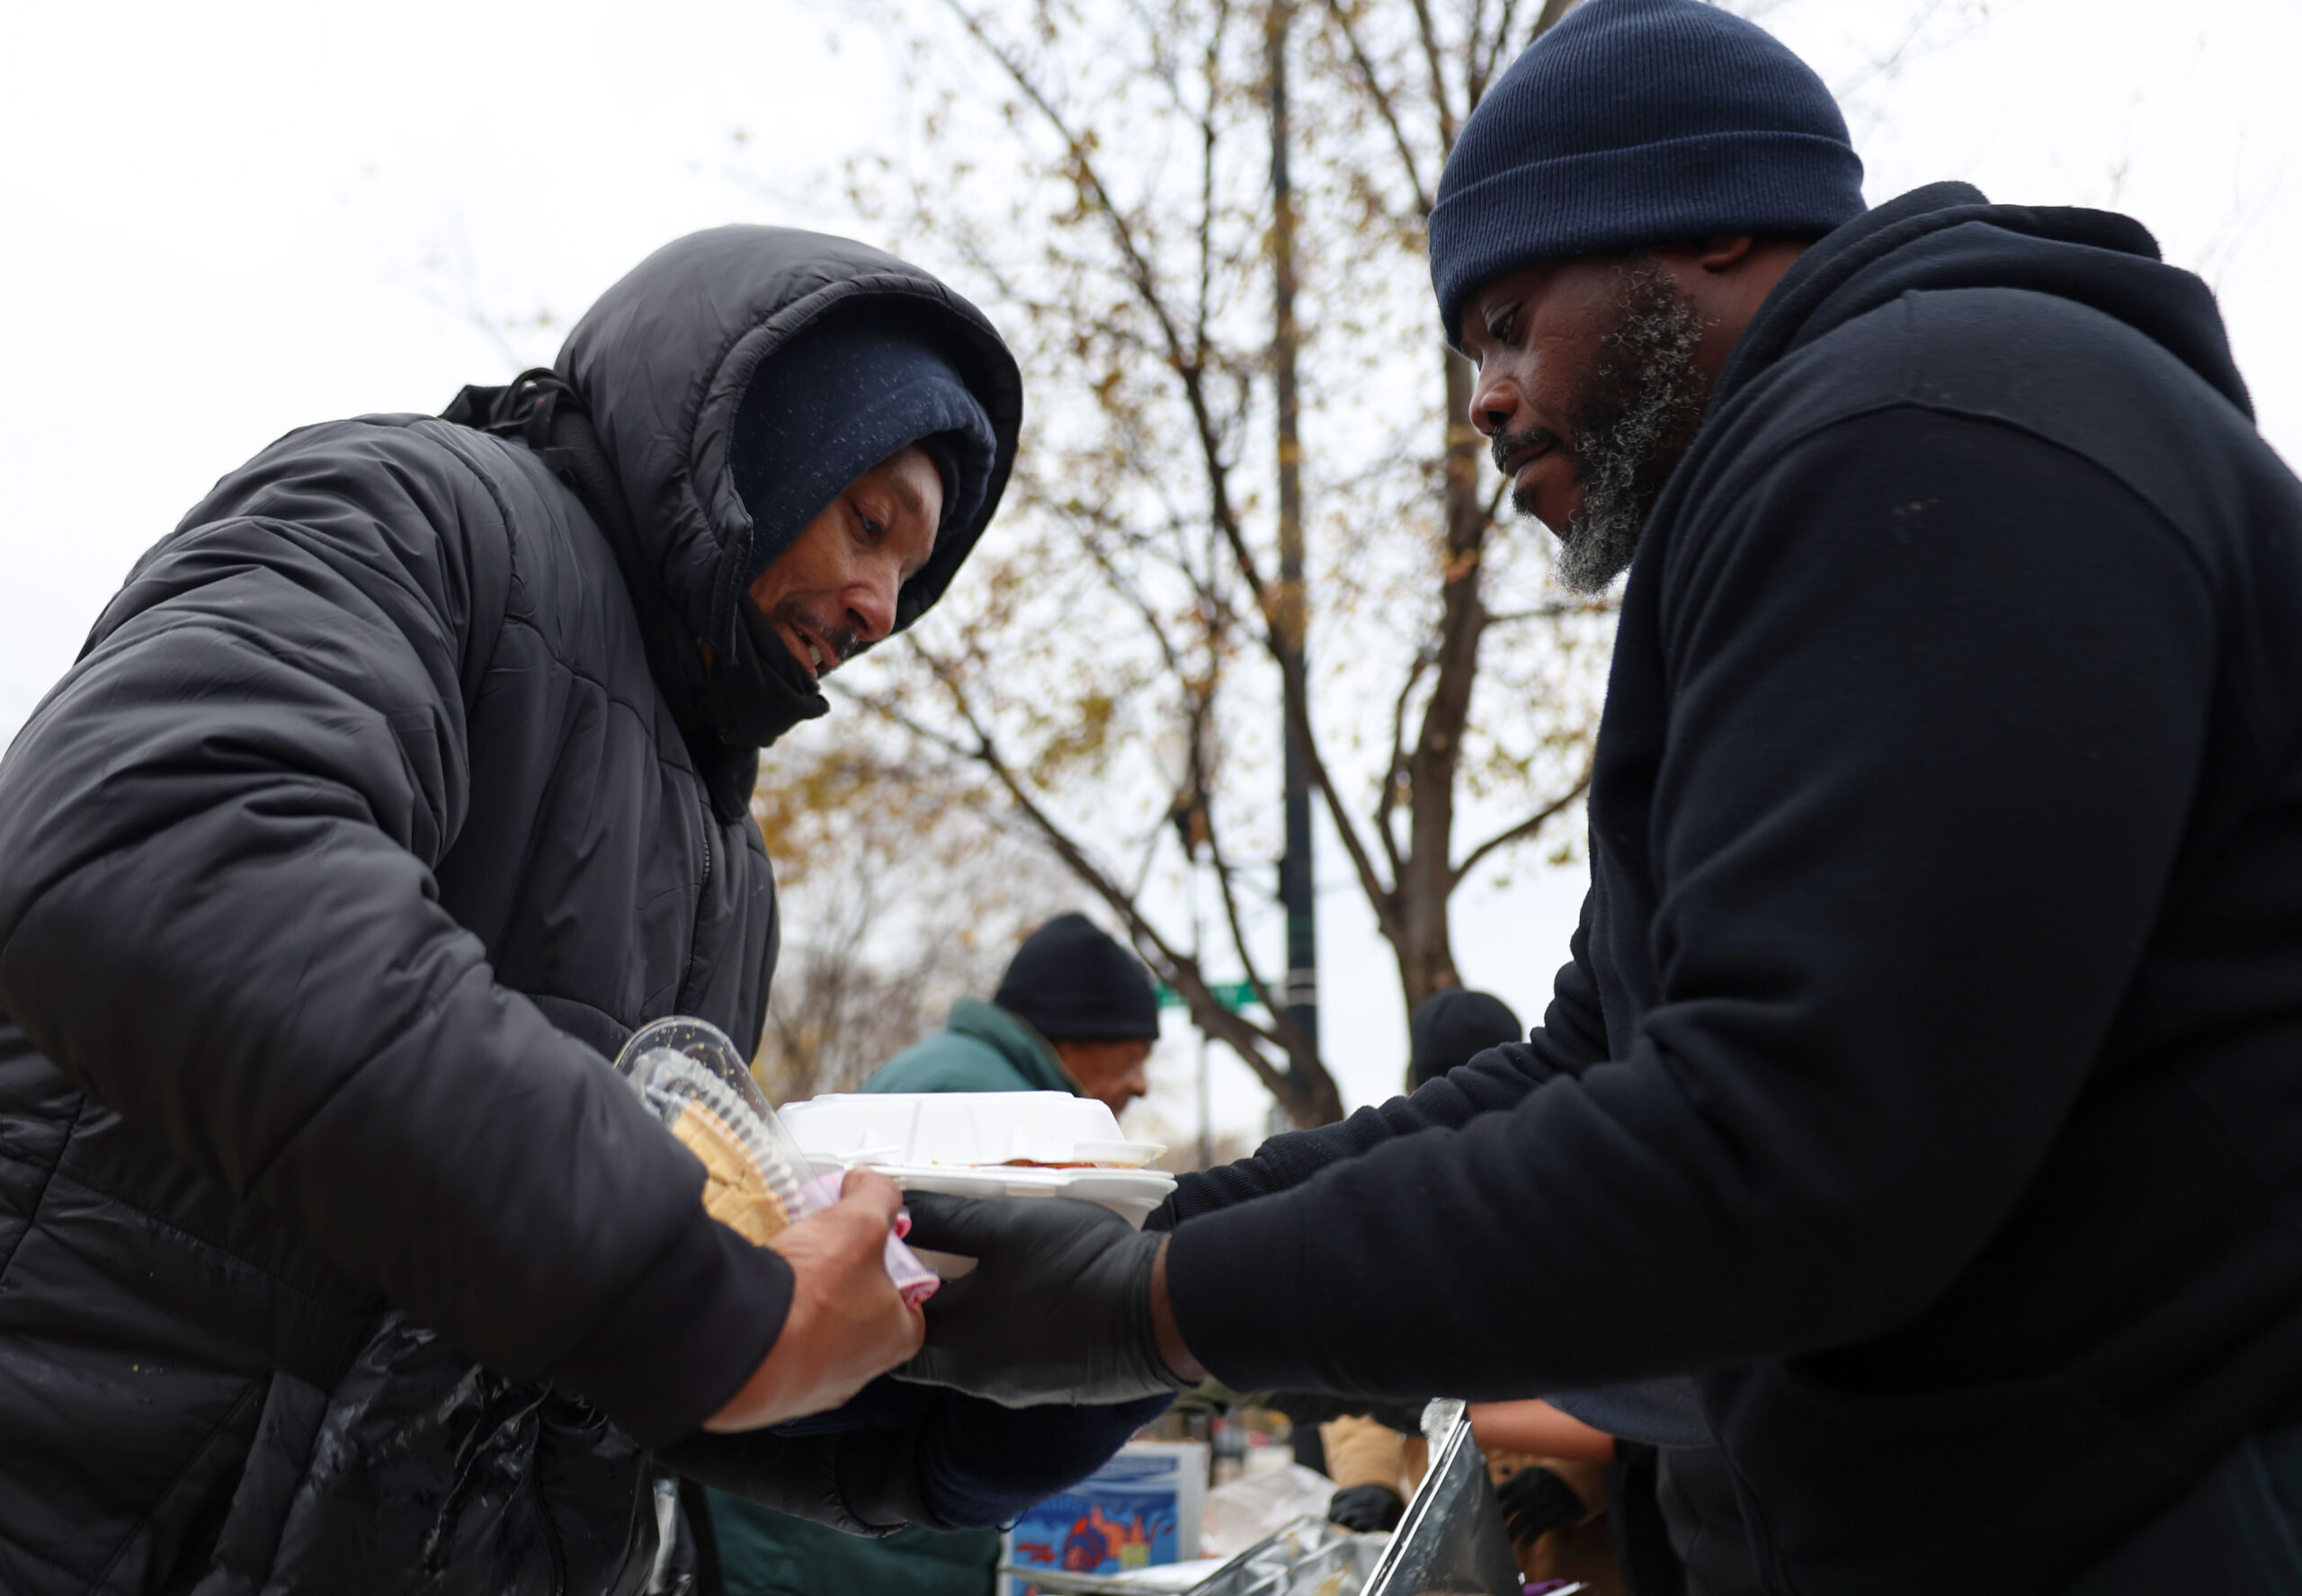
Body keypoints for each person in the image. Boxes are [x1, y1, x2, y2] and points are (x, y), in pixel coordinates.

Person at [886, 2, 2302, 1591]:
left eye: (1505, 320)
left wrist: (1145, 1311)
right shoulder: (1820, 482)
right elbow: (1587, 1060)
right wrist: (1161, 1232)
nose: (1484, 398)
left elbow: (1780, 1145)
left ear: (1708, 217)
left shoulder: (1925, 437)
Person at [0, 225, 1031, 1592]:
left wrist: (948, 1421)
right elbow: (159, 836)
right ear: (759, 444)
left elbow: (610, 1355)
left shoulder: (734, 866)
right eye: (871, 521)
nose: (881, 604)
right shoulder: (417, 508)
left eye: (917, 569)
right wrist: (681, 1290)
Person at [705, 912, 1160, 1594]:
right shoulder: (993, 1105)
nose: (1143, 1082)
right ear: (1076, 1036)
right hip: (845, 1552)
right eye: (1135, 1052)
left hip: (831, 1525)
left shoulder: (954, 1073)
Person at [868, 912, 1161, 1113]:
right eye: (1134, 1059)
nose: (1141, 1086)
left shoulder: (943, 1069)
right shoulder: (992, 1104)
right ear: (1071, 1040)